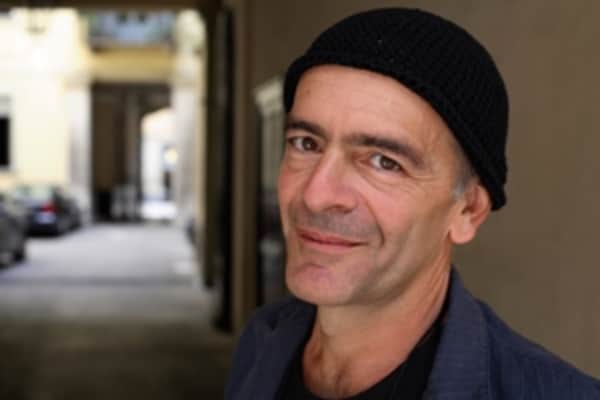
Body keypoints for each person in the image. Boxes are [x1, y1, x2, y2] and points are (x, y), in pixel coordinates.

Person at [225, 8, 600, 400]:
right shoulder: (263, 342)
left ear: (468, 211)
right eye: (306, 144)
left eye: (384, 162)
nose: (316, 195)